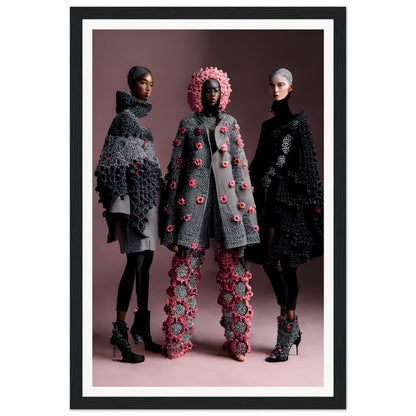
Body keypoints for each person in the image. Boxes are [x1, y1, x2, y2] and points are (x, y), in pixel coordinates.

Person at [159, 67, 260, 362]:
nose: (212, 94)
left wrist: (250, 224)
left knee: (236, 275)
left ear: (223, 93)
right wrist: (170, 227)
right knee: (183, 273)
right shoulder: (188, 124)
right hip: (192, 208)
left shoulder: (230, 124)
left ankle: (238, 343)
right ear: (198, 93)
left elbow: (241, 172)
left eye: (216, 89)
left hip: (229, 210)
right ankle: (176, 340)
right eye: (207, 89)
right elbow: (175, 173)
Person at [246, 68, 323, 362]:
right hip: (268, 202)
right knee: (268, 260)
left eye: (281, 85)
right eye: (272, 85)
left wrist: (281, 177)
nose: (276, 89)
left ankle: (286, 331)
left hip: (290, 204)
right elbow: (256, 163)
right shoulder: (269, 126)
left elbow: (307, 167)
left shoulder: (298, 123)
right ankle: (292, 322)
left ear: (290, 88)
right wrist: (240, 181)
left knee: (287, 265)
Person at [95, 66, 164, 363]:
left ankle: (142, 329)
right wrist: (121, 207)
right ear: (131, 84)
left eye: (151, 84)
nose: (147, 88)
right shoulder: (123, 121)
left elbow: (148, 167)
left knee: (144, 266)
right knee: (133, 267)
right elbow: (111, 165)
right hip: (133, 209)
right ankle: (120, 331)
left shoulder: (142, 126)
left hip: (147, 206)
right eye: (142, 83)